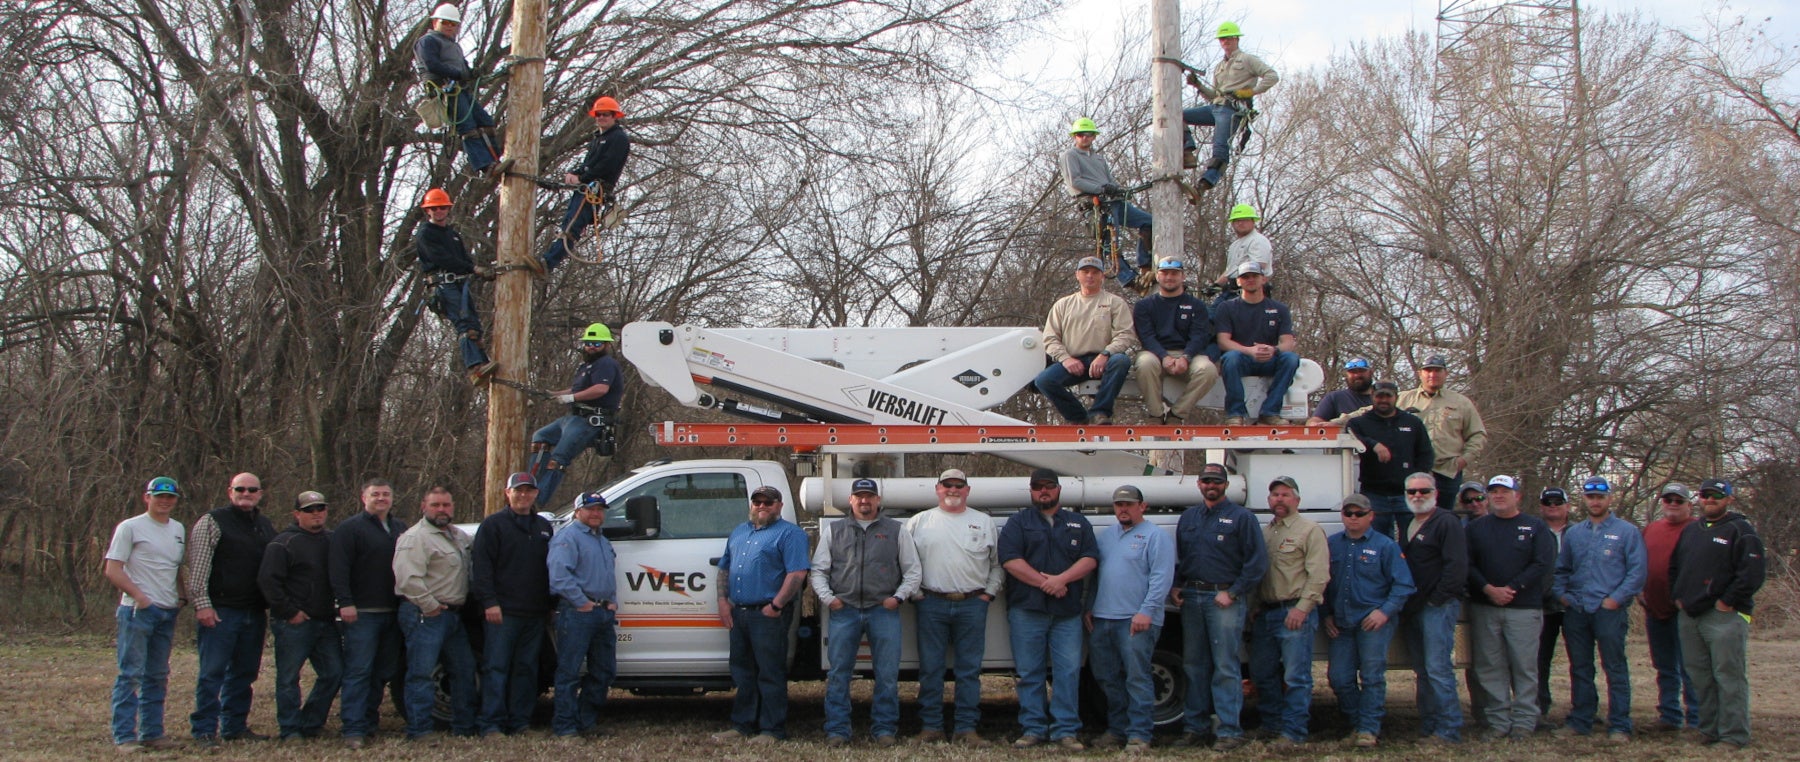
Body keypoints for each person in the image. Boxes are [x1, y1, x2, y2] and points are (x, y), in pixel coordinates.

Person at [809, 478, 920, 747]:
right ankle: (837, 730)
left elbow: (913, 570)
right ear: (850, 500)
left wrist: (898, 598)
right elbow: (819, 570)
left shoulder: (896, 530)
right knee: (838, 674)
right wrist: (828, 599)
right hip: (844, 611)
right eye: (859, 496)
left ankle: (884, 730)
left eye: (869, 496)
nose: (864, 501)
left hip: (883, 611)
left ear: (878, 500)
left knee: (886, 675)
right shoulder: (835, 531)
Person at [999, 468, 1099, 751]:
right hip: (1027, 610)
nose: (1044, 491)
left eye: (1049, 486)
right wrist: (1047, 583)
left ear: (1059, 489)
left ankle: (1066, 731)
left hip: (1067, 612)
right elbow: (1010, 560)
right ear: (1031, 491)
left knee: (1068, 672)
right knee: (1030, 672)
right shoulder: (1018, 523)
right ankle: (1033, 729)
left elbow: (1090, 558)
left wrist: (1062, 580)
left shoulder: (1078, 523)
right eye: (1038, 487)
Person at [905, 469, 1004, 746]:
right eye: (947, 484)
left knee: (969, 670)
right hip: (930, 604)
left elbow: (996, 566)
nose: (953, 489)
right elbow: (905, 563)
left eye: (958, 485)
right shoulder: (918, 522)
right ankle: (931, 727)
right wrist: (915, 594)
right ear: (937, 488)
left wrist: (988, 594)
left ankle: (966, 729)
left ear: (967, 490)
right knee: (930, 669)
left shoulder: (983, 522)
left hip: (973, 604)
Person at [1172, 462, 1267, 751]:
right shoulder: (1188, 518)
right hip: (1192, 597)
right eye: (1206, 481)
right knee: (1194, 665)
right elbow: (1183, 557)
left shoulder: (1242, 518)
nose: (1210, 485)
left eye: (1216, 481)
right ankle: (1195, 727)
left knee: (1225, 666)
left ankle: (1229, 731)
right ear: (1199, 485)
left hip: (1223, 599)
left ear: (1226, 485)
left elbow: (1256, 562)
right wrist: (1178, 584)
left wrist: (1235, 592)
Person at [1668, 478, 1766, 750]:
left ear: (1729, 499)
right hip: (1690, 615)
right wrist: (1678, 596)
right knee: (1700, 676)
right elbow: (1675, 567)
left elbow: (1753, 573)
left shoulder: (1741, 530)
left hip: (1723, 617)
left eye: (1716, 495)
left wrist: (1727, 601)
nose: (1710, 500)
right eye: (1705, 495)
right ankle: (1709, 730)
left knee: (1728, 676)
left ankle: (1733, 735)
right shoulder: (1692, 530)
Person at [1551, 477, 1647, 742]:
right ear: (1584, 499)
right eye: (1591, 497)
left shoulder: (1627, 532)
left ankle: (1619, 724)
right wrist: (1563, 596)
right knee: (1580, 667)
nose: (1595, 501)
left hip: (1608, 610)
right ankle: (1581, 720)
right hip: (1577, 610)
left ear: (1609, 499)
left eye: (1600, 497)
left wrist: (1616, 599)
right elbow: (1561, 569)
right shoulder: (1574, 533)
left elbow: (1637, 572)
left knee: (1614, 667)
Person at [712, 486, 810, 743]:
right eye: (758, 502)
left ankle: (772, 729)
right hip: (739, 613)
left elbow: (798, 573)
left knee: (770, 673)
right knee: (743, 673)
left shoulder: (791, 534)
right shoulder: (739, 532)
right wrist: (723, 601)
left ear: (779, 505)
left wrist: (775, 606)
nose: (762, 506)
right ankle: (742, 725)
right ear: (751, 504)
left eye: (769, 502)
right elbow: (724, 568)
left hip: (768, 615)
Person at [186, 472, 275, 747]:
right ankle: (204, 729)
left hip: (254, 611)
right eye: (240, 489)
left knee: (245, 673)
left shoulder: (264, 526)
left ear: (260, 494)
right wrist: (203, 606)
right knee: (212, 673)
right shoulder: (212, 521)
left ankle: (234, 725)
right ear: (229, 491)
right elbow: (198, 569)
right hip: (221, 611)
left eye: (252, 490)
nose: (246, 494)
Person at [1464, 475, 1556, 739]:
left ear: (1517, 495)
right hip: (1485, 607)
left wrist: (1512, 588)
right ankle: (1498, 721)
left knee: (1524, 666)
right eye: (1493, 492)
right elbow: (1467, 564)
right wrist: (1488, 589)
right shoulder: (1477, 528)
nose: (1499, 496)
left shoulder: (1535, 527)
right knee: (1489, 666)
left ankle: (1525, 721)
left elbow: (1541, 564)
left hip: (1524, 608)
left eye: (1505, 491)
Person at [1323, 494, 1416, 748]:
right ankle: (1358, 722)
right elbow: (1323, 584)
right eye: (1348, 513)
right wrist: (1326, 614)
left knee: (1372, 676)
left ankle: (1368, 729)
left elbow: (1404, 585)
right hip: (1341, 622)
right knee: (1339, 678)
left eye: (1359, 513)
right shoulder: (1332, 545)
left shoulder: (1386, 546)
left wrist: (1384, 612)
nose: (1353, 518)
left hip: (1373, 622)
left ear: (1371, 516)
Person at [1087, 485, 1175, 754]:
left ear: (1142, 506)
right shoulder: (1106, 537)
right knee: (1106, 676)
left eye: (1128, 504)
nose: (1123, 509)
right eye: (1118, 505)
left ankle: (1139, 735)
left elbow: (1161, 578)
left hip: (1136, 620)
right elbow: (1097, 576)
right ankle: (1117, 729)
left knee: (1137, 677)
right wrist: (1091, 606)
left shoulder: (1155, 537)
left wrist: (1147, 611)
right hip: (1103, 619)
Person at [105, 477, 188, 753]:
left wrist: (180, 597)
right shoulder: (130, 527)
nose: (164, 501)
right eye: (159, 496)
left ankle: (152, 732)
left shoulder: (177, 529)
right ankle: (125, 736)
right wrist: (141, 598)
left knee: (157, 675)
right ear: (147, 498)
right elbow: (113, 569)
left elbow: (173, 568)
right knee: (131, 674)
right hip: (137, 612)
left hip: (167, 612)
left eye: (170, 497)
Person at [471, 472, 555, 737]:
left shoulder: (543, 527)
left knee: (526, 669)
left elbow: (550, 570)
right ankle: (491, 724)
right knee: (496, 668)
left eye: (528, 491)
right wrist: (489, 602)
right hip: (502, 612)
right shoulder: (493, 525)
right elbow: (481, 569)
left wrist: (550, 604)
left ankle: (520, 722)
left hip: (534, 612)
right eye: (518, 491)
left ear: (536, 494)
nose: (523, 495)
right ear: (507, 494)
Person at [329, 479, 410, 749]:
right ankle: (353, 728)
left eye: (386, 494)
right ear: (364, 498)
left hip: (392, 611)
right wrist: (345, 602)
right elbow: (338, 568)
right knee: (358, 671)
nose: (381, 498)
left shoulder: (399, 528)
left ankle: (369, 722)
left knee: (382, 671)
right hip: (361, 612)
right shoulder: (350, 529)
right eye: (375, 494)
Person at [392, 486, 478, 741]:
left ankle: (465, 726)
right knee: (421, 673)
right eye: (436, 505)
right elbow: (407, 579)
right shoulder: (415, 537)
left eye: (446, 505)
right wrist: (429, 606)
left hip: (452, 616)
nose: (442, 510)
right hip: (425, 614)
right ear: (424, 507)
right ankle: (419, 730)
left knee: (464, 670)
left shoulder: (458, 536)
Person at [256, 491, 342, 741]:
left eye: (320, 508)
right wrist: (290, 611)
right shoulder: (283, 543)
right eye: (309, 510)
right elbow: (268, 581)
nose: (316, 513)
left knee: (334, 673)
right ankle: (290, 728)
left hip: (325, 621)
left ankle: (311, 723)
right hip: (294, 623)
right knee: (288, 678)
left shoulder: (333, 540)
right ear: (297, 514)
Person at [1249, 476, 1328, 746]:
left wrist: (1303, 609)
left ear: (1296, 500)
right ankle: (1271, 724)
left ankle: (1294, 732)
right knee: (1262, 672)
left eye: (1285, 494)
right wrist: (1254, 607)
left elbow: (1319, 575)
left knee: (1296, 676)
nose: (1279, 499)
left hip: (1294, 612)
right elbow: (1261, 573)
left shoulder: (1309, 530)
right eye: (1274, 495)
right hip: (1266, 613)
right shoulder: (1266, 531)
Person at [1399, 473, 1468, 745]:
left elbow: (1457, 567)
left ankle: (1449, 729)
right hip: (1414, 608)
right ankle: (1429, 726)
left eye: (1423, 491)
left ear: (1436, 493)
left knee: (1438, 669)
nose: (1417, 496)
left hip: (1437, 607)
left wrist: (1437, 599)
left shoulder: (1447, 522)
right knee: (1423, 670)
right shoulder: (1409, 523)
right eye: (1412, 492)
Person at [547, 491, 620, 739]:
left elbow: (607, 576)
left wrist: (612, 602)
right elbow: (559, 576)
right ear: (578, 511)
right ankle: (565, 726)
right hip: (577, 613)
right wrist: (582, 603)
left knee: (604, 671)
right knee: (569, 672)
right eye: (591, 509)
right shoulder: (568, 537)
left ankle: (586, 722)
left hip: (602, 613)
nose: (596, 513)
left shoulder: (601, 540)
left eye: (600, 509)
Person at [529, 322, 624, 506]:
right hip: (573, 418)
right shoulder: (586, 366)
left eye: (597, 344)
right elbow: (576, 389)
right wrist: (553, 395)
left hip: (589, 420)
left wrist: (571, 398)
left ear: (606, 345)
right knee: (540, 437)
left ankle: (537, 502)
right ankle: (531, 484)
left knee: (559, 459)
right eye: (588, 342)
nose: (591, 347)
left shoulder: (606, 364)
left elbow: (600, 389)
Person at [1035, 256, 1136, 425]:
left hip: (1106, 360)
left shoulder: (1115, 303)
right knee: (1043, 381)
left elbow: (1126, 335)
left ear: (1102, 276)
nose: (1090, 276)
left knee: (1122, 361)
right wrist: (1065, 359)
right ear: (1077, 275)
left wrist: (1105, 354)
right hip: (1074, 361)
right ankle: (1077, 417)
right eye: (1086, 271)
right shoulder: (1063, 305)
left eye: (1095, 272)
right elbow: (1050, 338)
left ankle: (1100, 413)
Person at [1182, 22, 1279, 190]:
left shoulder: (1247, 60)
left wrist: (1251, 92)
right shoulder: (1219, 67)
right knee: (1176, 114)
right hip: (1216, 107)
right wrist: (1198, 85)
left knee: (1220, 147)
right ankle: (1188, 150)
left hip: (1232, 110)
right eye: (1222, 39)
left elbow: (1272, 76)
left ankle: (1205, 184)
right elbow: (1214, 95)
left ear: (1236, 39)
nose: (1224, 42)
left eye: (1227, 38)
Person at [539, 96, 631, 273]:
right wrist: (575, 173)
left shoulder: (618, 138)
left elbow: (606, 165)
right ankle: (548, 259)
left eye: (605, 114)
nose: (601, 118)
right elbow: (589, 163)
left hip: (595, 190)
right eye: (598, 115)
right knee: (568, 223)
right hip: (586, 188)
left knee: (573, 225)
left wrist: (582, 178)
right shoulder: (599, 138)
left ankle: (549, 262)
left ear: (614, 116)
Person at [415, 187, 497, 382]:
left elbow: (463, 258)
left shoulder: (452, 234)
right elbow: (442, 259)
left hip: (459, 284)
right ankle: (475, 366)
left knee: (474, 325)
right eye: (434, 208)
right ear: (428, 211)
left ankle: (482, 364)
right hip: (444, 284)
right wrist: (473, 269)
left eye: (442, 207)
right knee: (464, 324)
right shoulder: (426, 233)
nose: (439, 211)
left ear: (448, 209)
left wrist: (474, 268)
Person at [414, 4, 506, 177]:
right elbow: (431, 64)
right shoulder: (427, 41)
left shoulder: (453, 46)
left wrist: (472, 73)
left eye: (453, 24)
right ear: (435, 22)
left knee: (485, 121)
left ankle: (496, 159)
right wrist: (459, 74)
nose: (449, 26)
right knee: (468, 127)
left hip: (460, 89)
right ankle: (486, 166)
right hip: (445, 90)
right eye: (445, 22)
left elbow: (463, 69)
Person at [1060, 118, 1153, 291]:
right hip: (1096, 204)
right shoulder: (1069, 155)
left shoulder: (1099, 158)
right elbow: (1075, 180)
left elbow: (1110, 181)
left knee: (1149, 222)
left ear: (1094, 137)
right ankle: (1130, 280)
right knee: (1110, 243)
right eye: (1080, 135)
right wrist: (1101, 189)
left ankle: (1145, 265)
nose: (1084, 138)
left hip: (1114, 201)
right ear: (1075, 136)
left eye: (1088, 135)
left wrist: (1119, 190)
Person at [1640, 483, 1700, 733]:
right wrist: (1638, 591)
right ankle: (1669, 715)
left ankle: (1696, 718)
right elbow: (1639, 563)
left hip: (1685, 609)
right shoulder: (1652, 529)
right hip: (1655, 608)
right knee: (1664, 665)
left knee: (1690, 666)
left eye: (1679, 500)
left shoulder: (1698, 530)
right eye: (1668, 500)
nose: (1673, 504)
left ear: (1689, 504)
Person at [1132, 257, 1219, 425]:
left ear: (1183, 277)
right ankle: (1156, 414)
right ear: (1157, 276)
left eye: (1174, 273)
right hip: (1156, 354)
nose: (1169, 277)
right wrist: (1164, 356)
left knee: (1208, 370)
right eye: (1164, 273)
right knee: (1144, 363)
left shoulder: (1197, 305)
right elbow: (1146, 336)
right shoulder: (1144, 305)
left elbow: (1199, 335)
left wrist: (1186, 358)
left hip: (1189, 354)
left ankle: (1177, 414)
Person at [1343, 380, 1434, 540]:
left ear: (1396, 397)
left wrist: (1417, 483)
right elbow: (1350, 433)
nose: (1383, 400)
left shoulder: (1412, 422)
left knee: (1414, 539)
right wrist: (1374, 445)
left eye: (1388, 396)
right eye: (1379, 396)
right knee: (1376, 541)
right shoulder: (1359, 423)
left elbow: (1426, 454)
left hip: (1407, 494)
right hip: (1374, 494)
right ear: (1372, 397)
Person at [1399, 354, 1487, 512]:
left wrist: (1464, 460)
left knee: (1443, 519)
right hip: (1412, 471)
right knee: (1410, 519)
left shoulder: (1461, 402)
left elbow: (1478, 434)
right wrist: (1341, 420)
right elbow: (1371, 413)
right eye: (1428, 370)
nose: (1432, 375)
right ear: (1420, 373)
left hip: (1447, 471)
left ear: (1445, 373)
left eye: (1437, 370)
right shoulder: (1403, 400)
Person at [1213, 261, 1298, 425]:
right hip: (1242, 359)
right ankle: (1236, 414)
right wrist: (1249, 350)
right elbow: (1223, 341)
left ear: (1263, 279)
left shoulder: (1279, 309)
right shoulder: (1227, 307)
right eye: (1245, 277)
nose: (1250, 280)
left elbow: (1288, 342)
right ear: (1238, 281)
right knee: (1230, 358)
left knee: (1290, 359)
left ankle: (1270, 412)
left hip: (1269, 359)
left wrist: (1273, 349)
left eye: (1254, 276)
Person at [1536, 486, 1572, 725]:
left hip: (1573, 605)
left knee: (1580, 660)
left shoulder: (1579, 531)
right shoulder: (1535, 531)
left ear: (1567, 506)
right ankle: (1540, 706)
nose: (1553, 506)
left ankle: (1583, 708)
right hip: (1543, 606)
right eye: (1548, 503)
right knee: (1540, 659)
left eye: (1558, 502)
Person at [1215, 204, 1273, 300]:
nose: (1240, 223)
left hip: (1251, 291)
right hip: (1232, 291)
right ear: (1232, 223)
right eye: (1237, 221)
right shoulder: (1234, 245)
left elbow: (1257, 268)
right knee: (1210, 313)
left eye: (1245, 220)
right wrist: (1216, 285)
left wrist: (1242, 281)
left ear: (1253, 221)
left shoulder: (1258, 240)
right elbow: (1231, 270)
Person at [1307, 358, 1373, 425]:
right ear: (1346, 375)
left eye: (1361, 371)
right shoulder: (1334, 398)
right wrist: (1315, 425)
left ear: (1370, 372)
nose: (1357, 375)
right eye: (1352, 372)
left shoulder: (1381, 398)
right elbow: (1315, 421)